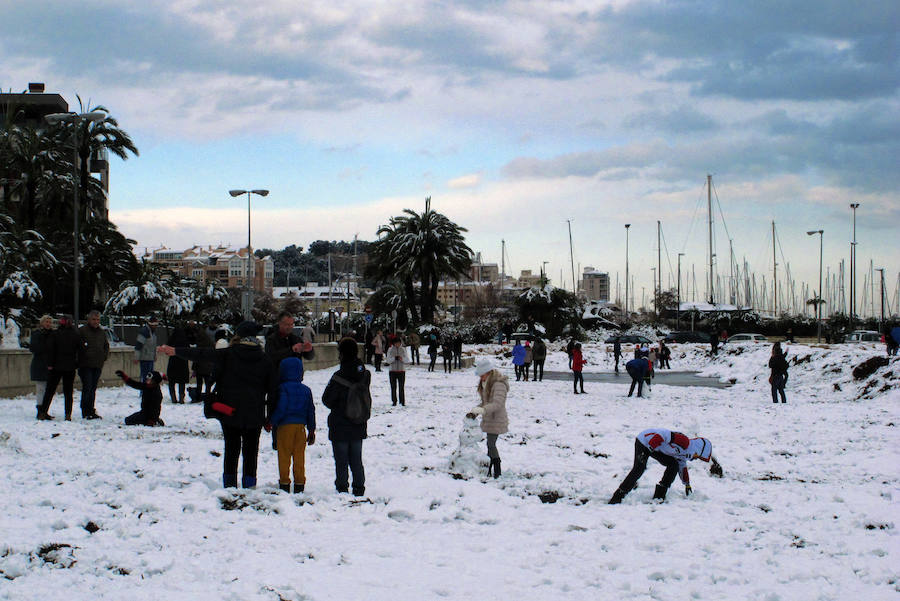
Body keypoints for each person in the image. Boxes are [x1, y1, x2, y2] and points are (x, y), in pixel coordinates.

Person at [161, 321, 278, 489]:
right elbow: (272, 390)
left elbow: (201, 354)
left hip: (229, 411)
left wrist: (175, 351)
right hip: (255, 413)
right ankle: (249, 484)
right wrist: (269, 417)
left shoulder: (228, 354)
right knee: (251, 451)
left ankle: (229, 484)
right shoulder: (265, 360)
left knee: (231, 448)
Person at [608, 428, 723, 504]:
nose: (696, 458)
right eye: (698, 457)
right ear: (699, 451)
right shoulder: (685, 442)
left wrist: (687, 484)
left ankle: (659, 496)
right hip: (645, 441)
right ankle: (618, 496)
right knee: (639, 469)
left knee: (674, 464)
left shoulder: (686, 454)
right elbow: (664, 435)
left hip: (654, 448)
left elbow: (682, 466)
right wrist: (650, 447)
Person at [322, 337, 370, 496]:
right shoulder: (364, 374)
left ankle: (342, 487)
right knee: (356, 459)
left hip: (340, 423)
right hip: (358, 420)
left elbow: (327, 400)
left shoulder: (338, 376)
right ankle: (359, 487)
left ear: (341, 354)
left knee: (341, 459)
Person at [270, 357, 316, 493]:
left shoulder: (282, 388)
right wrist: (312, 429)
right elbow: (310, 410)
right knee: (299, 456)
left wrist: (273, 421)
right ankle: (299, 483)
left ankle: (284, 482)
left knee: (284, 456)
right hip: (301, 428)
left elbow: (282, 407)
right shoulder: (306, 390)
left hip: (285, 427)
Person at [466, 358, 509, 479]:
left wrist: (483, 410)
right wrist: (475, 411)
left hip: (496, 419)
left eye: (482, 375)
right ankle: (490, 468)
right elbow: (485, 402)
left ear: (488, 372)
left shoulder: (499, 384)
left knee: (491, 444)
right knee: (490, 444)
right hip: (490, 419)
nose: (480, 378)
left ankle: (497, 469)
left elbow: (497, 403)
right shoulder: (487, 383)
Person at [38, 315, 80, 421]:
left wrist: (50, 364)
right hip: (70, 367)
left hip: (56, 367)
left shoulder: (55, 334)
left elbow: (50, 350)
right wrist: (76, 363)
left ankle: (43, 412)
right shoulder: (75, 335)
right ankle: (68, 414)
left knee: (50, 390)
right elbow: (80, 351)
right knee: (68, 392)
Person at [78, 310, 110, 419]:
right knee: (87, 387)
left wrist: (104, 356)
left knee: (93, 388)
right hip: (85, 364)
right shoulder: (82, 331)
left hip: (97, 364)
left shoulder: (101, 332)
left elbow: (106, 346)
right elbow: (77, 347)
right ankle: (85, 410)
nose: (96, 322)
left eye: (98, 320)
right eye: (94, 319)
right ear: (89, 319)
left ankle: (91, 409)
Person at [29, 315, 55, 419]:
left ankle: (44, 409)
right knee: (41, 389)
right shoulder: (37, 334)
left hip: (50, 365)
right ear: (42, 323)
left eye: (50, 322)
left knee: (47, 389)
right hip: (39, 365)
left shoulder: (53, 334)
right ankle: (40, 410)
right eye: (46, 322)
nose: (48, 324)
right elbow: (34, 348)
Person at [166, 324, 190, 403]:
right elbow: (188, 350)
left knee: (172, 380)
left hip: (173, 362)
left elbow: (167, 349)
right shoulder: (185, 339)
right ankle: (181, 398)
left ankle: (173, 397)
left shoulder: (172, 338)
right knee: (181, 381)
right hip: (182, 362)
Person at [134, 316, 159, 383]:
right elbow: (138, 345)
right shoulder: (144, 331)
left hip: (150, 358)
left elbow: (153, 346)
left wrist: (155, 355)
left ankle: (148, 392)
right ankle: (144, 392)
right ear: (151, 324)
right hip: (144, 359)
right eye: (155, 325)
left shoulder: (152, 332)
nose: (156, 327)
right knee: (145, 378)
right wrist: (136, 357)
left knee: (150, 378)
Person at [385, 335, 408, 406]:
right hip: (392, 371)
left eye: (399, 343)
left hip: (401, 370)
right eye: (396, 343)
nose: (397, 344)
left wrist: (402, 359)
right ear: (393, 343)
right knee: (393, 387)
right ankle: (394, 401)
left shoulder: (403, 349)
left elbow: (407, 360)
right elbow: (388, 360)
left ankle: (402, 401)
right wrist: (394, 358)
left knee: (401, 387)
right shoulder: (390, 349)